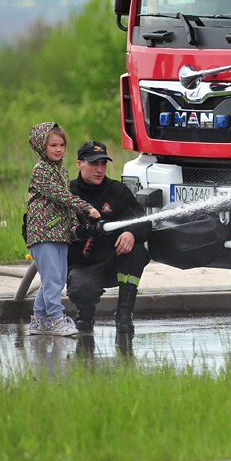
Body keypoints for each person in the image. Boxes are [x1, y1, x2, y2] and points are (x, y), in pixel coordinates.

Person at [67, 141, 151, 335]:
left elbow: (145, 222)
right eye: (94, 163)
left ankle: (123, 314)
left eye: (103, 163)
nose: (100, 169)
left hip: (115, 261)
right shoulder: (68, 193)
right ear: (79, 164)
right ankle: (85, 314)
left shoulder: (117, 191)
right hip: (83, 264)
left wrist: (131, 233)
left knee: (138, 250)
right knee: (82, 289)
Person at [25, 122, 100, 337]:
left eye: (62, 145)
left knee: (57, 279)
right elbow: (60, 196)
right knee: (52, 280)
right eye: (53, 145)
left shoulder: (60, 171)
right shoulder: (41, 171)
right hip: (42, 235)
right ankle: (56, 320)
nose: (58, 149)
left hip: (59, 235)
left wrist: (75, 228)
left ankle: (39, 321)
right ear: (41, 146)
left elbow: (63, 208)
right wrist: (86, 207)